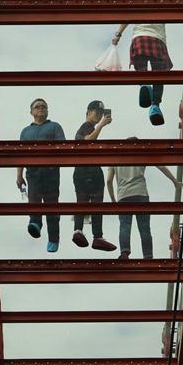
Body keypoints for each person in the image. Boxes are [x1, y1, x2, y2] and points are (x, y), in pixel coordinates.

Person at [111, 0, 173, 127]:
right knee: (159, 76)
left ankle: (144, 84)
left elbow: (127, 16)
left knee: (141, 68)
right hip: (158, 40)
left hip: (139, 38)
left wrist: (118, 34)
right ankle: (155, 106)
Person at [106, 152, 182, 260]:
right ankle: (148, 256)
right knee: (144, 228)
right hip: (141, 194)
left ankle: (124, 253)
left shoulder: (115, 158)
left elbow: (109, 181)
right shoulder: (140, 154)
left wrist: (113, 200)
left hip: (123, 196)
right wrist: (174, 181)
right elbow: (160, 165)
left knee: (125, 226)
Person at [16, 99, 65, 253]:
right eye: (37, 107)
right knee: (34, 202)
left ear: (48, 111)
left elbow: (62, 147)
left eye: (44, 106)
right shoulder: (25, 131)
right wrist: (19, 175)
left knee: (52, 207)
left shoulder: (54, 126)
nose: (41, 109)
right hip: (33, 174)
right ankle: (35, 224)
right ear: (31, 112)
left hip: (50, 173)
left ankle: (53, 239)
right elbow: (20, 155)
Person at [72, 100, 117, 252]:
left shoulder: (90, 127)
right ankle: (90, 234)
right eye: (96, 112)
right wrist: (102, 124)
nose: (99, 115)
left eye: (101, 113)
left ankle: (88, 233)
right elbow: (87, 141)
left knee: (85, 202)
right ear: (88, 112)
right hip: (87, 171)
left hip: (85, 171)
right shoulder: (87, 126)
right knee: (92, 202)